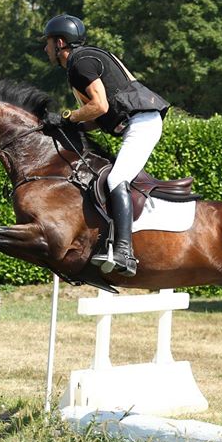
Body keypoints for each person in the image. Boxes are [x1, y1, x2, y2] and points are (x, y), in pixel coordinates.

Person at [42, 14, 170, 277]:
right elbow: (97, 119)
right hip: (138, 122)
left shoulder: (80, 63)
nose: (45, 49)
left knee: (115, 179)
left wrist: (68, 116)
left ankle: (124, 252)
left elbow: (99, 106)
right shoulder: (84, 60)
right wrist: (68, 125)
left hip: (142, 122)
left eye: (48, 43)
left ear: (60, 43)